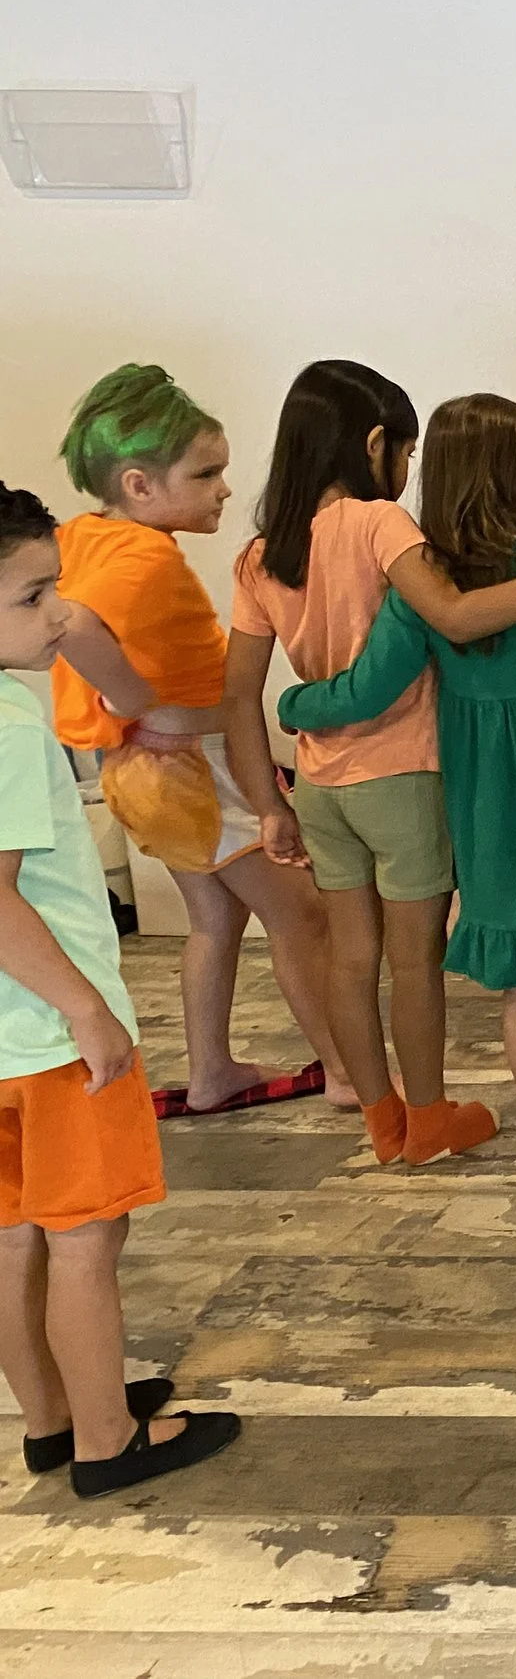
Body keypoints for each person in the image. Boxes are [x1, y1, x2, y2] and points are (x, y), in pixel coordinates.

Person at [228, 361, 516, 1165]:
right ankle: (429, 1116)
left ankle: (381, 1117)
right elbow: (456, 615)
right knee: (414, 959)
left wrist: (272, 783)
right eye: (401, 452)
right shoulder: (383, 528)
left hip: (319, 781)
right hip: (403, 775)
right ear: (376, 446)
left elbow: (241, 696)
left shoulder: (260, 553)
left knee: (350, 952)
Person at [0, 482, 241, 1496]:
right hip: (51, 1030)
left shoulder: (19, 683)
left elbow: (122, 686)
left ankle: (55, 1419)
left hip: (8, 1038)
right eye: (29, 597)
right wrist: (88, 1010)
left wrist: (56, 616)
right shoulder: (6, 722)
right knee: (89, 1234)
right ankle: (109, 1441)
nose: (54, 613)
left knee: (17, 1235)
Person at [50, 365, 339, 1116]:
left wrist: (123, 707)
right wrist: (132, 697)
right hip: (196, 771)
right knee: (300, 914)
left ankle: (211, 1069)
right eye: (206, 473)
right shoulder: (142, 557)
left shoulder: (89, 535)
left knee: (216, 919)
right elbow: (73, 623)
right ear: (141, 484)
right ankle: (346, 1072)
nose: (222, 490)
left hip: (149, 771)